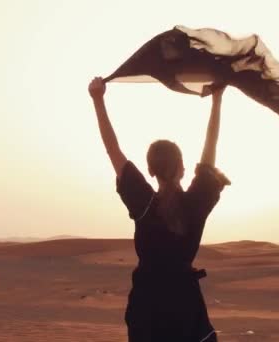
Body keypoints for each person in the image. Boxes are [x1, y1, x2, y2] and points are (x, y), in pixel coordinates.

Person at [88, 76, 230, 342]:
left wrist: (98, 100)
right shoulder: (196, 203)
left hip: (147, 311)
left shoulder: (144, 203)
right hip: (186, 312)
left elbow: (112, 150)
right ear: (182, 168)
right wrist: (217, 100)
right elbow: (210, 148)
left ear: (150, 170)